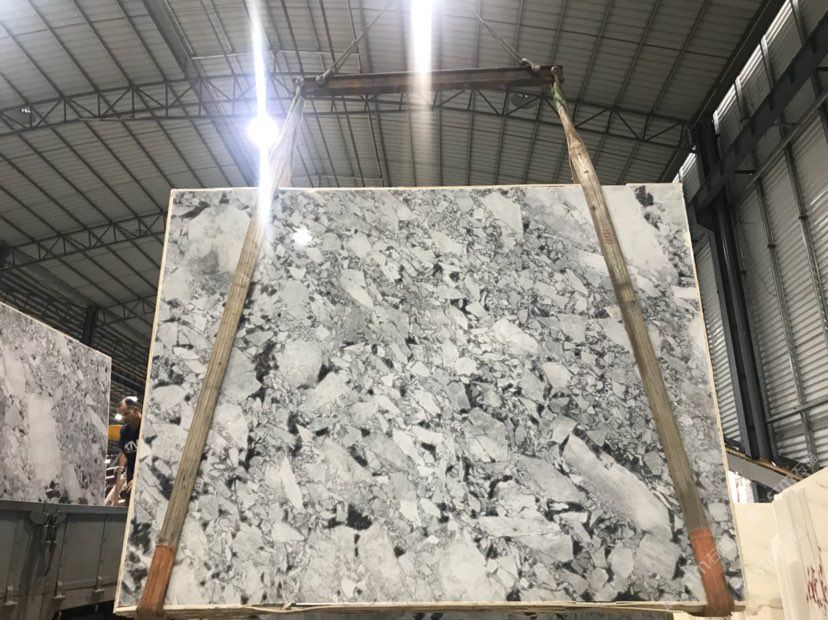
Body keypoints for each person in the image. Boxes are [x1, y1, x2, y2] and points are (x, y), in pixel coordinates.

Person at [106, 396, 142, 505]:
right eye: (122, 415)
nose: (123, 418)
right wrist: (121, 470)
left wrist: (138, 479)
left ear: (136, 411)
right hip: (130, 483)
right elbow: (124, 454)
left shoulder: (148, 427)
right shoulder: (124, 431)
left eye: (126, 414)